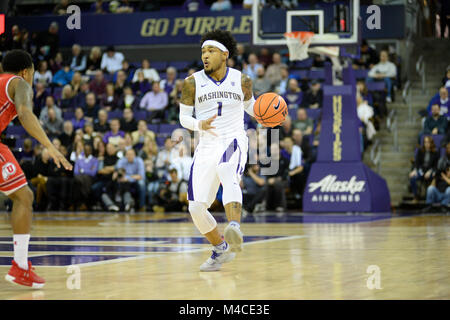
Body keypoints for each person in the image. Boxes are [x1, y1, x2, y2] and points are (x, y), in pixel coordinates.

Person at [179, 29, 256, 271]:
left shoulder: (242, 80)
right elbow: (183, 118)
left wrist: (269, 115)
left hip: (233, 138)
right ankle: (220, 249)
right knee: (195, 207)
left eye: (210, 50)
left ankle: (234, 226)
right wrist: (198, 124)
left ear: (225, 54)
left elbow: (253, 109)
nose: (205, 55)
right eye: (203, 51)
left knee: (226, 167)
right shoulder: (191, 83)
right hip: (207, 144)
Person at [1, 50, 72, 288]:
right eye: (33, 73)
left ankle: (20, 266)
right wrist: (50, 146)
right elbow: (24, 113)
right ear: (25, 71)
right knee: (24, 196)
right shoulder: (19, 83)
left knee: (23, 195)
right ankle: (20, 267)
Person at [409, 135, 439, 202]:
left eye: (428, 142)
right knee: (412, 177)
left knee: (434, 176)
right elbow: (417, 163)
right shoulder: (420, 151)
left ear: (431, 143)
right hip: (421, 171)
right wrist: (415, 170)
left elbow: (436, 166)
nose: (426, 144)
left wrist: (430, 171)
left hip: (430, 171)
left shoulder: (435, 153)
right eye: (425, 142)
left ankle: (430, 198)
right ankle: (416, 196)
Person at [72, 144, 98, 210]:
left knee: (82, 179)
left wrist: (82, 170)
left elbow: (93, 173)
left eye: (88, 150)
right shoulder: (79, 159)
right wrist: (88, 169)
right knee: (78, 180)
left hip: (90, 179)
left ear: (91, 151)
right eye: (85, 150)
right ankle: (84, 202)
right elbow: (75, 172)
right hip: (80, 178)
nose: (87, 151)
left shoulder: (95, 160)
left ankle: (80, 203)